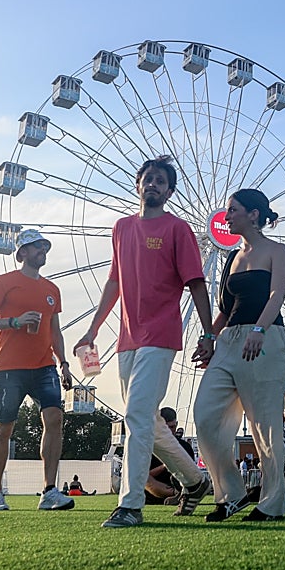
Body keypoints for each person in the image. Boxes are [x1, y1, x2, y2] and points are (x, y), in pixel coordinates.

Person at [72, 156, 216, 528]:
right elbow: (114, 282)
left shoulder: (178, 229)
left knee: (135, 416)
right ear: (138, 185)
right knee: (146, 420)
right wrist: (92, 330)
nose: (152, 184)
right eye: (147, 178)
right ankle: (195, 481)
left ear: (169, 192)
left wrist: (208, 333)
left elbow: (196, 283)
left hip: (161, 335)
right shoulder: (121, 228)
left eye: (160, 181)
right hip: (127, 338)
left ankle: (130, 505)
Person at [194, 188, 285, 523]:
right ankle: (231, 494)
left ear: (253, 214)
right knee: (206, 416)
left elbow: (277, 294)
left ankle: (272, 502)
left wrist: (259, 329)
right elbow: (225, 309)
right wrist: (209, 338)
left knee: (265, 426)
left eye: (233, 210)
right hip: (229, 342)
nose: (226, 216)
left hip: (265, 339)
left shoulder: (277, 251)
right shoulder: (232, 258)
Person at [0, 228, 76, 513]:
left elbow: (55, 331)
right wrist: (14, 322)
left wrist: (64, 363)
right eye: (36, 246)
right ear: (22, 253)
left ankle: (49, 491)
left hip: (45, 366)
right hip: (9, 367)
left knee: (54, 419)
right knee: (4, 428)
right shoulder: (3, 282)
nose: (42, 250)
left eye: (44, 246)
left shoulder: (52, 290)